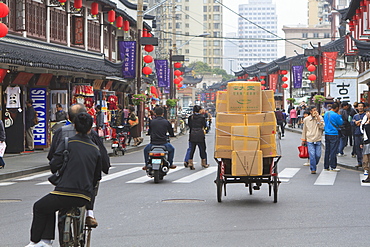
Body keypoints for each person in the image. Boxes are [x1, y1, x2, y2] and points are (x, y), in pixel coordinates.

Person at [25, 112, 102, 247]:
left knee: (41, 206)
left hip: (63, 192)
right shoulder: (95, 149)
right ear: (90, 128)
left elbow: (54, 164)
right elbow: (97, 177)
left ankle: (40, 241)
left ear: (74, 126)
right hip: (84, 196)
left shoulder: (68, 143)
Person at [47, 103, 110, 228]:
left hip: (64, 179)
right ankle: (90, 213)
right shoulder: (91, 134)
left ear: (69, 118)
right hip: (85, 181)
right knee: (93, 182)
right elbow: (102, 158)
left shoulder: (60, 132)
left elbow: (52, 156)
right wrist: (104, 168)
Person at [301, 106, 324, 174]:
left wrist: (318, 119)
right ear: (310, 111)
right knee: (312, 154)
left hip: (318, 139)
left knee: (318, 155)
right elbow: (304, 130)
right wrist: (303, 139)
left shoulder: (320, 118)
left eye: (316, 110)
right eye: (313, 110)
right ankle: (313, 168)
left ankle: (314, 164)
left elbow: (322, 127)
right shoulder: (306, 119)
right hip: (310, 139)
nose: (315, 111)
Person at [187, 105, 209, 170]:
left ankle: (190, 162)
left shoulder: (191, 117)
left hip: (192, 134)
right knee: (202, 149)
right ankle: (204, 163)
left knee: (192, 149)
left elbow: (189, 125)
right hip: (200, 134)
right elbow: (205, 125)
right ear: (199, 110)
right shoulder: (202, 117)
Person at [323, 102, 343, 172]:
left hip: (327, 133)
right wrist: (340, 116)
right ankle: (333, 166)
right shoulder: (336, 115)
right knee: (333, 150)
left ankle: (326, 166)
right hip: (334, 133)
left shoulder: (326, 113)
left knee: (327, 150)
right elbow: (340, 123)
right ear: (337, 108)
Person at [352, 102, 366, 168]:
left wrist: (360, 122)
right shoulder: (355, 116)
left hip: (364, 134)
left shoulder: (366, 115)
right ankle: (359, 162)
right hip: (357, 133)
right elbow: (351, 123)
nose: (360, 107)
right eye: (359, 106)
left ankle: (365, 162)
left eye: (361, 106)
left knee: (364, 149)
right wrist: (355, 122)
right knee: (357, 148)